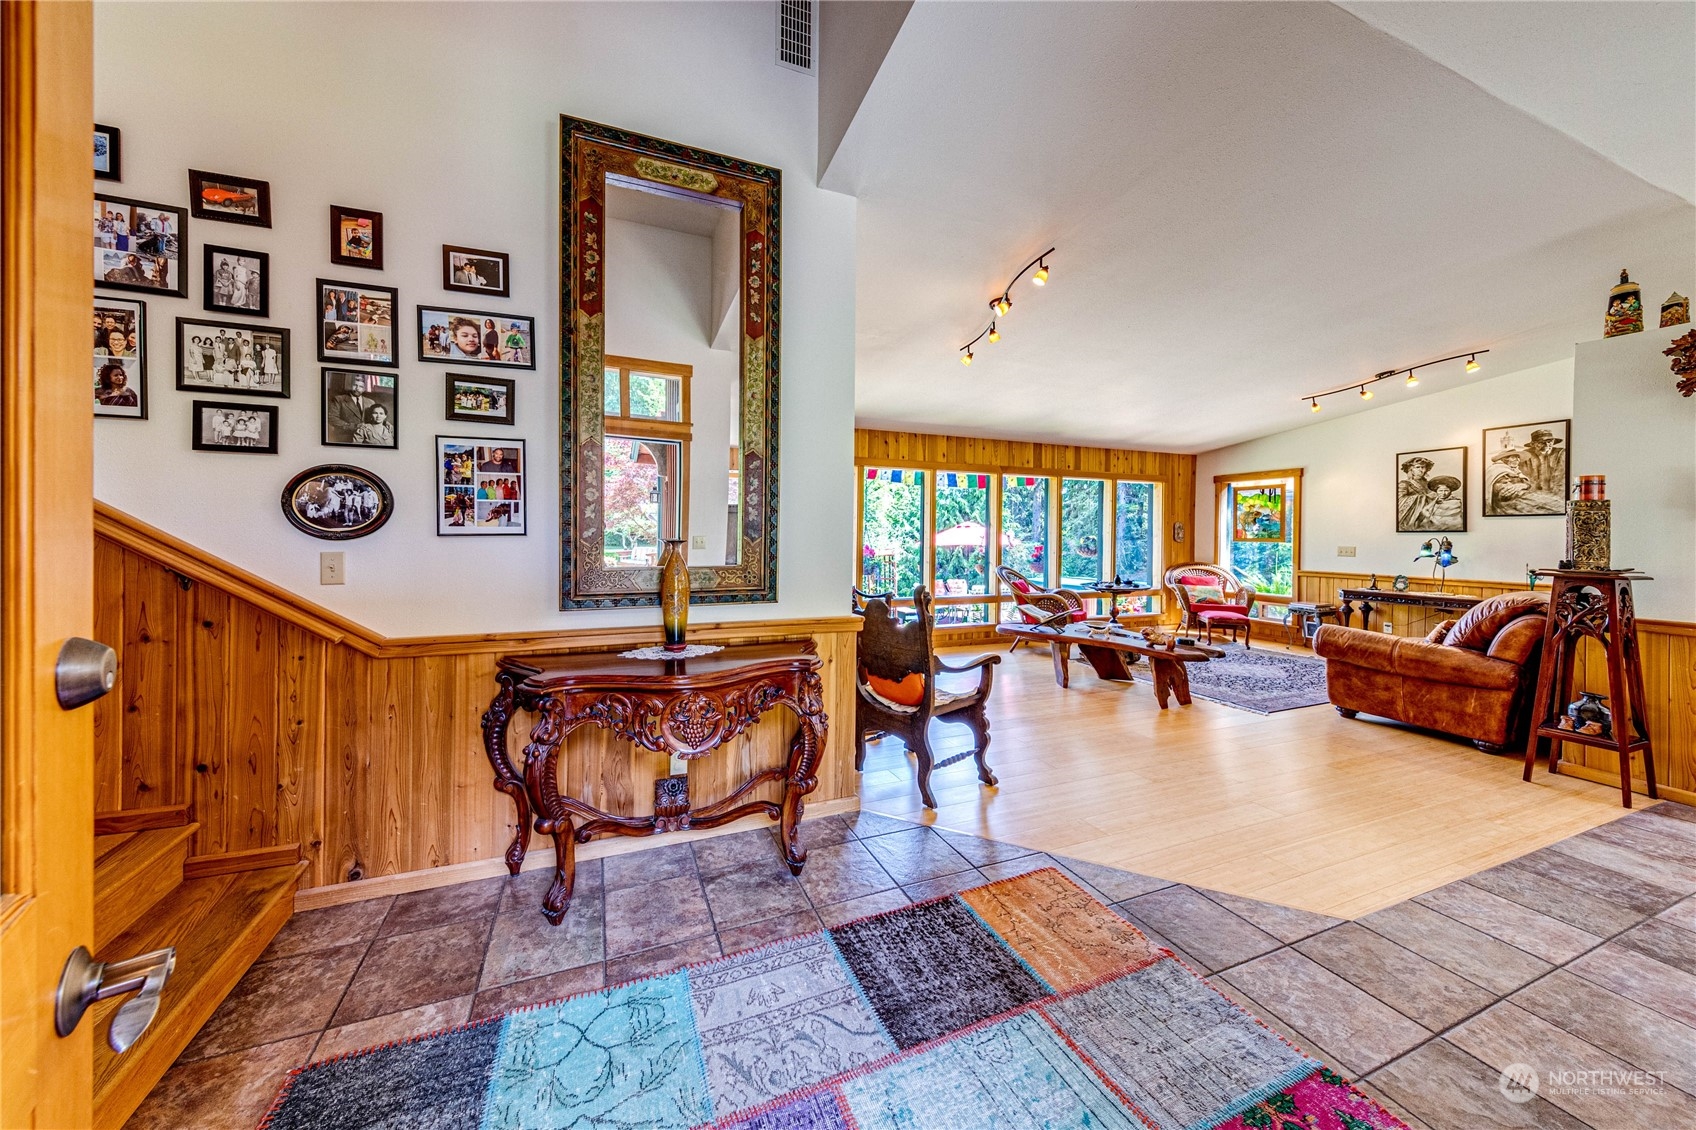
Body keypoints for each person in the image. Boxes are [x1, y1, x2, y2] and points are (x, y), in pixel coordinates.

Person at [1396, 456, 1434, 530]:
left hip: (1431, 515)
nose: (1421, 470)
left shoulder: (1430, 484)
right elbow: (1399, 501)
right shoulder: (1404, 484)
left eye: (1423, 467)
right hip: (1413, 519)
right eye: (1418, 467)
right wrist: (1425, 497)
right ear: (1411, 470)